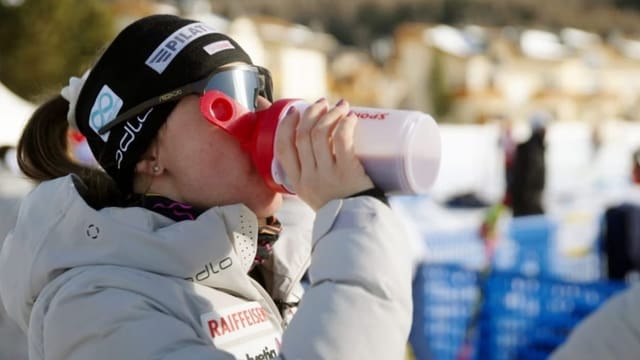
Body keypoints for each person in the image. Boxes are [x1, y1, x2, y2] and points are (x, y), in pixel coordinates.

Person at [0, 14, 413, 360]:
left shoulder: (264, 270)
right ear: (147, 152)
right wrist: (356, 220)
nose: (265, 113)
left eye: (260, 90)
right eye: (230, 94)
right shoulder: (94, 310)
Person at [509, 112, 549, 217]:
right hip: (528, 207)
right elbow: (527, 180)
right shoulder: (530, 149)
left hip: (531, 203)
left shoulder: (538, 147)